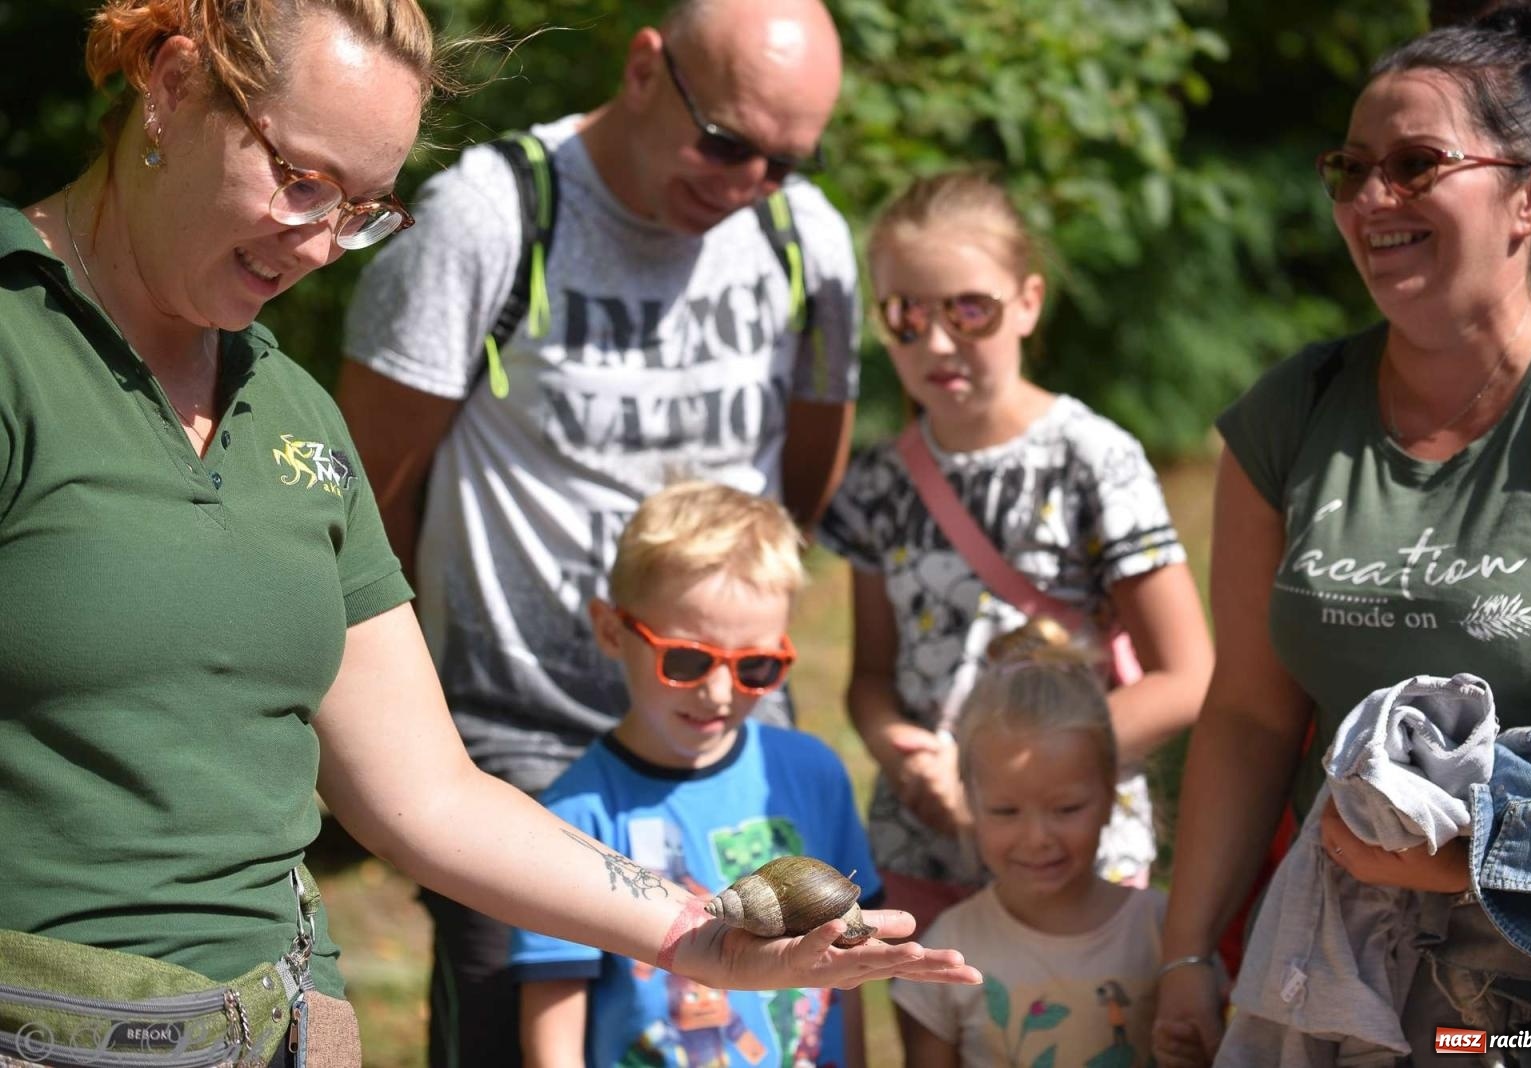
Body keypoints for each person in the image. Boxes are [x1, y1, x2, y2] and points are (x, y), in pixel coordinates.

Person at [0, 2, 976, 1065]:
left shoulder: (290, 410)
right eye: (301, 180)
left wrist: (699, 936)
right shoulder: (18, 345)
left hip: (281, 1029)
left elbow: (428, 796)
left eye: (363, 209)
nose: (323, 242)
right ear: (175, 84)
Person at [335, 0, 859, 1056]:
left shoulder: (807, 240)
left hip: (727, 727)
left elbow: (805, 480)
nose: (749, 182)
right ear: (643, 69)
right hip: (519, 739)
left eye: (784, 161)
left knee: (745, 1033)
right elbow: (360, 488)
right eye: (726, 142)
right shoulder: (493, 215)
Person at [1153, 11, 1531, 1065]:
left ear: (1530, 197)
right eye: (1350, 169)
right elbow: (1250, 716)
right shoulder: (1292, 412)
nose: (1368, 201)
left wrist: (1465, 860)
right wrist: (1184, 953)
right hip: (1324, 972)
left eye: (1414, 166)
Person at [818, 171, 1213, 932]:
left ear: (1027, 302)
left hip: (1074, 850)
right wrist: (902, 754)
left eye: (970, 309)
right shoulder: (877, 481)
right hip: (924, 848)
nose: (937, 341)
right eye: (906, 314)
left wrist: (1019, 779)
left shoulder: (1094, 458)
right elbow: (870, 678)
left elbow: (1185, 676)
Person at [510, 481, 877, 1068]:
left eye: (755, 666)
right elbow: (555, 1011)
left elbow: (846, 984)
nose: (718, 692)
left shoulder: (813, 775)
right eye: (686, 659)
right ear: (611, 631)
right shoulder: (573, 816)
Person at [890, 619, 1195, 1068]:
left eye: (1067, 809)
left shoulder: (1165, 934)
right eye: (1006, 812)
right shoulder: (946, 951)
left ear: (1111, 795)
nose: (1038, 838)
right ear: (969, 800)